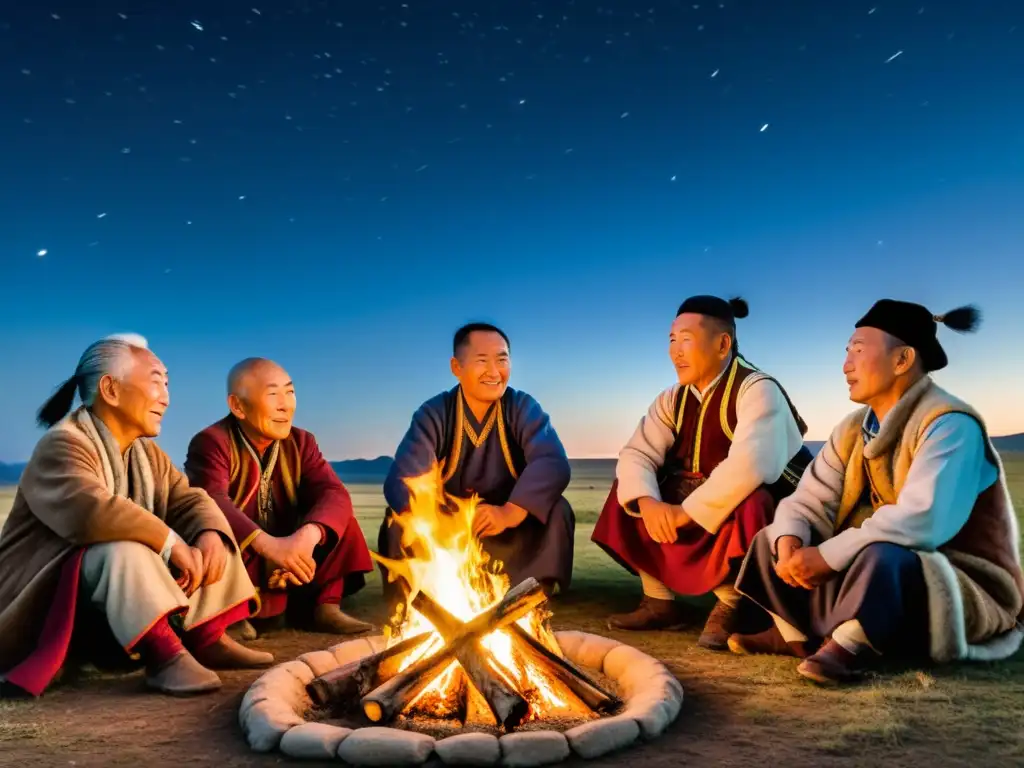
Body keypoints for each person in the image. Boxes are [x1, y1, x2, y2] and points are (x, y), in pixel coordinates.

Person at [729, 300, 1024, 684]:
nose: (846, 365)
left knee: (885, 555)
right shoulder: (853, 428)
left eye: (858, 350)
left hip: (955, 579)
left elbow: (924, 521)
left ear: (902, 360)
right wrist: (792, 537)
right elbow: (809, 498)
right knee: (772, 536)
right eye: (846, 352)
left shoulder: (950, 424)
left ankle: (849, 645)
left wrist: (827, 555)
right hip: (876, 558)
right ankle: (796, 636)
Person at [0, 334, 271, 698]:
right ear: (110, 389)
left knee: (209, 531)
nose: (166, 397)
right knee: (121, 549)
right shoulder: (63, 444)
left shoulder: (148, 454)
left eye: (167, 384)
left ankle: (206, 636)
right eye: (156, 382)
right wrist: (172, 544)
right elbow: (92, 513)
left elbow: (190, 499)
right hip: (37, 601)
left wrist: (207, 533)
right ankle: (164, 655)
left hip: (100, 606)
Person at [592, 296, 811, 649]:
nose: (676, 352)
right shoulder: (672, 398)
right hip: (692, 496)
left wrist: (683, 513)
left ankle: (731, 605)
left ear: (723, 344)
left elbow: (752, 464)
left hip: (753, 498)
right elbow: (637, 452)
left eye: (686, 340)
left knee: (752, 501)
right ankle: (658, 601)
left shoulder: (757, 388)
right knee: (629, 489)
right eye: (671, 341)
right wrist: (649, 503)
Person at [379, 322, 574, 603]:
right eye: (482, 361)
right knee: (396, 519)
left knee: (557, 509)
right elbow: (405, 478)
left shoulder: (522, 407)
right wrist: (451, 518)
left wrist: (508, 512)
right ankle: (429, 595)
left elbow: (552, 462)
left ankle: (530, 594)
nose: (494, 372)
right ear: (456, 367)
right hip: (449, 531)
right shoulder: (434, 413)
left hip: (510, 529)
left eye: (502, 360)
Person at [185, 357, 374, 638]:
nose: (286, 405)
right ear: (237, 406)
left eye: (290, 392)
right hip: (246, 559)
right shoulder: (212, 441)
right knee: (212, 532)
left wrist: (305, 540)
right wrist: (271, 547)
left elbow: (333, 492)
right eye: (273, 395)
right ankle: (231, 613)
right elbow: (212, 498)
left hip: (293, 561)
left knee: (338, 519)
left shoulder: (302, 442)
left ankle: (325, 606)